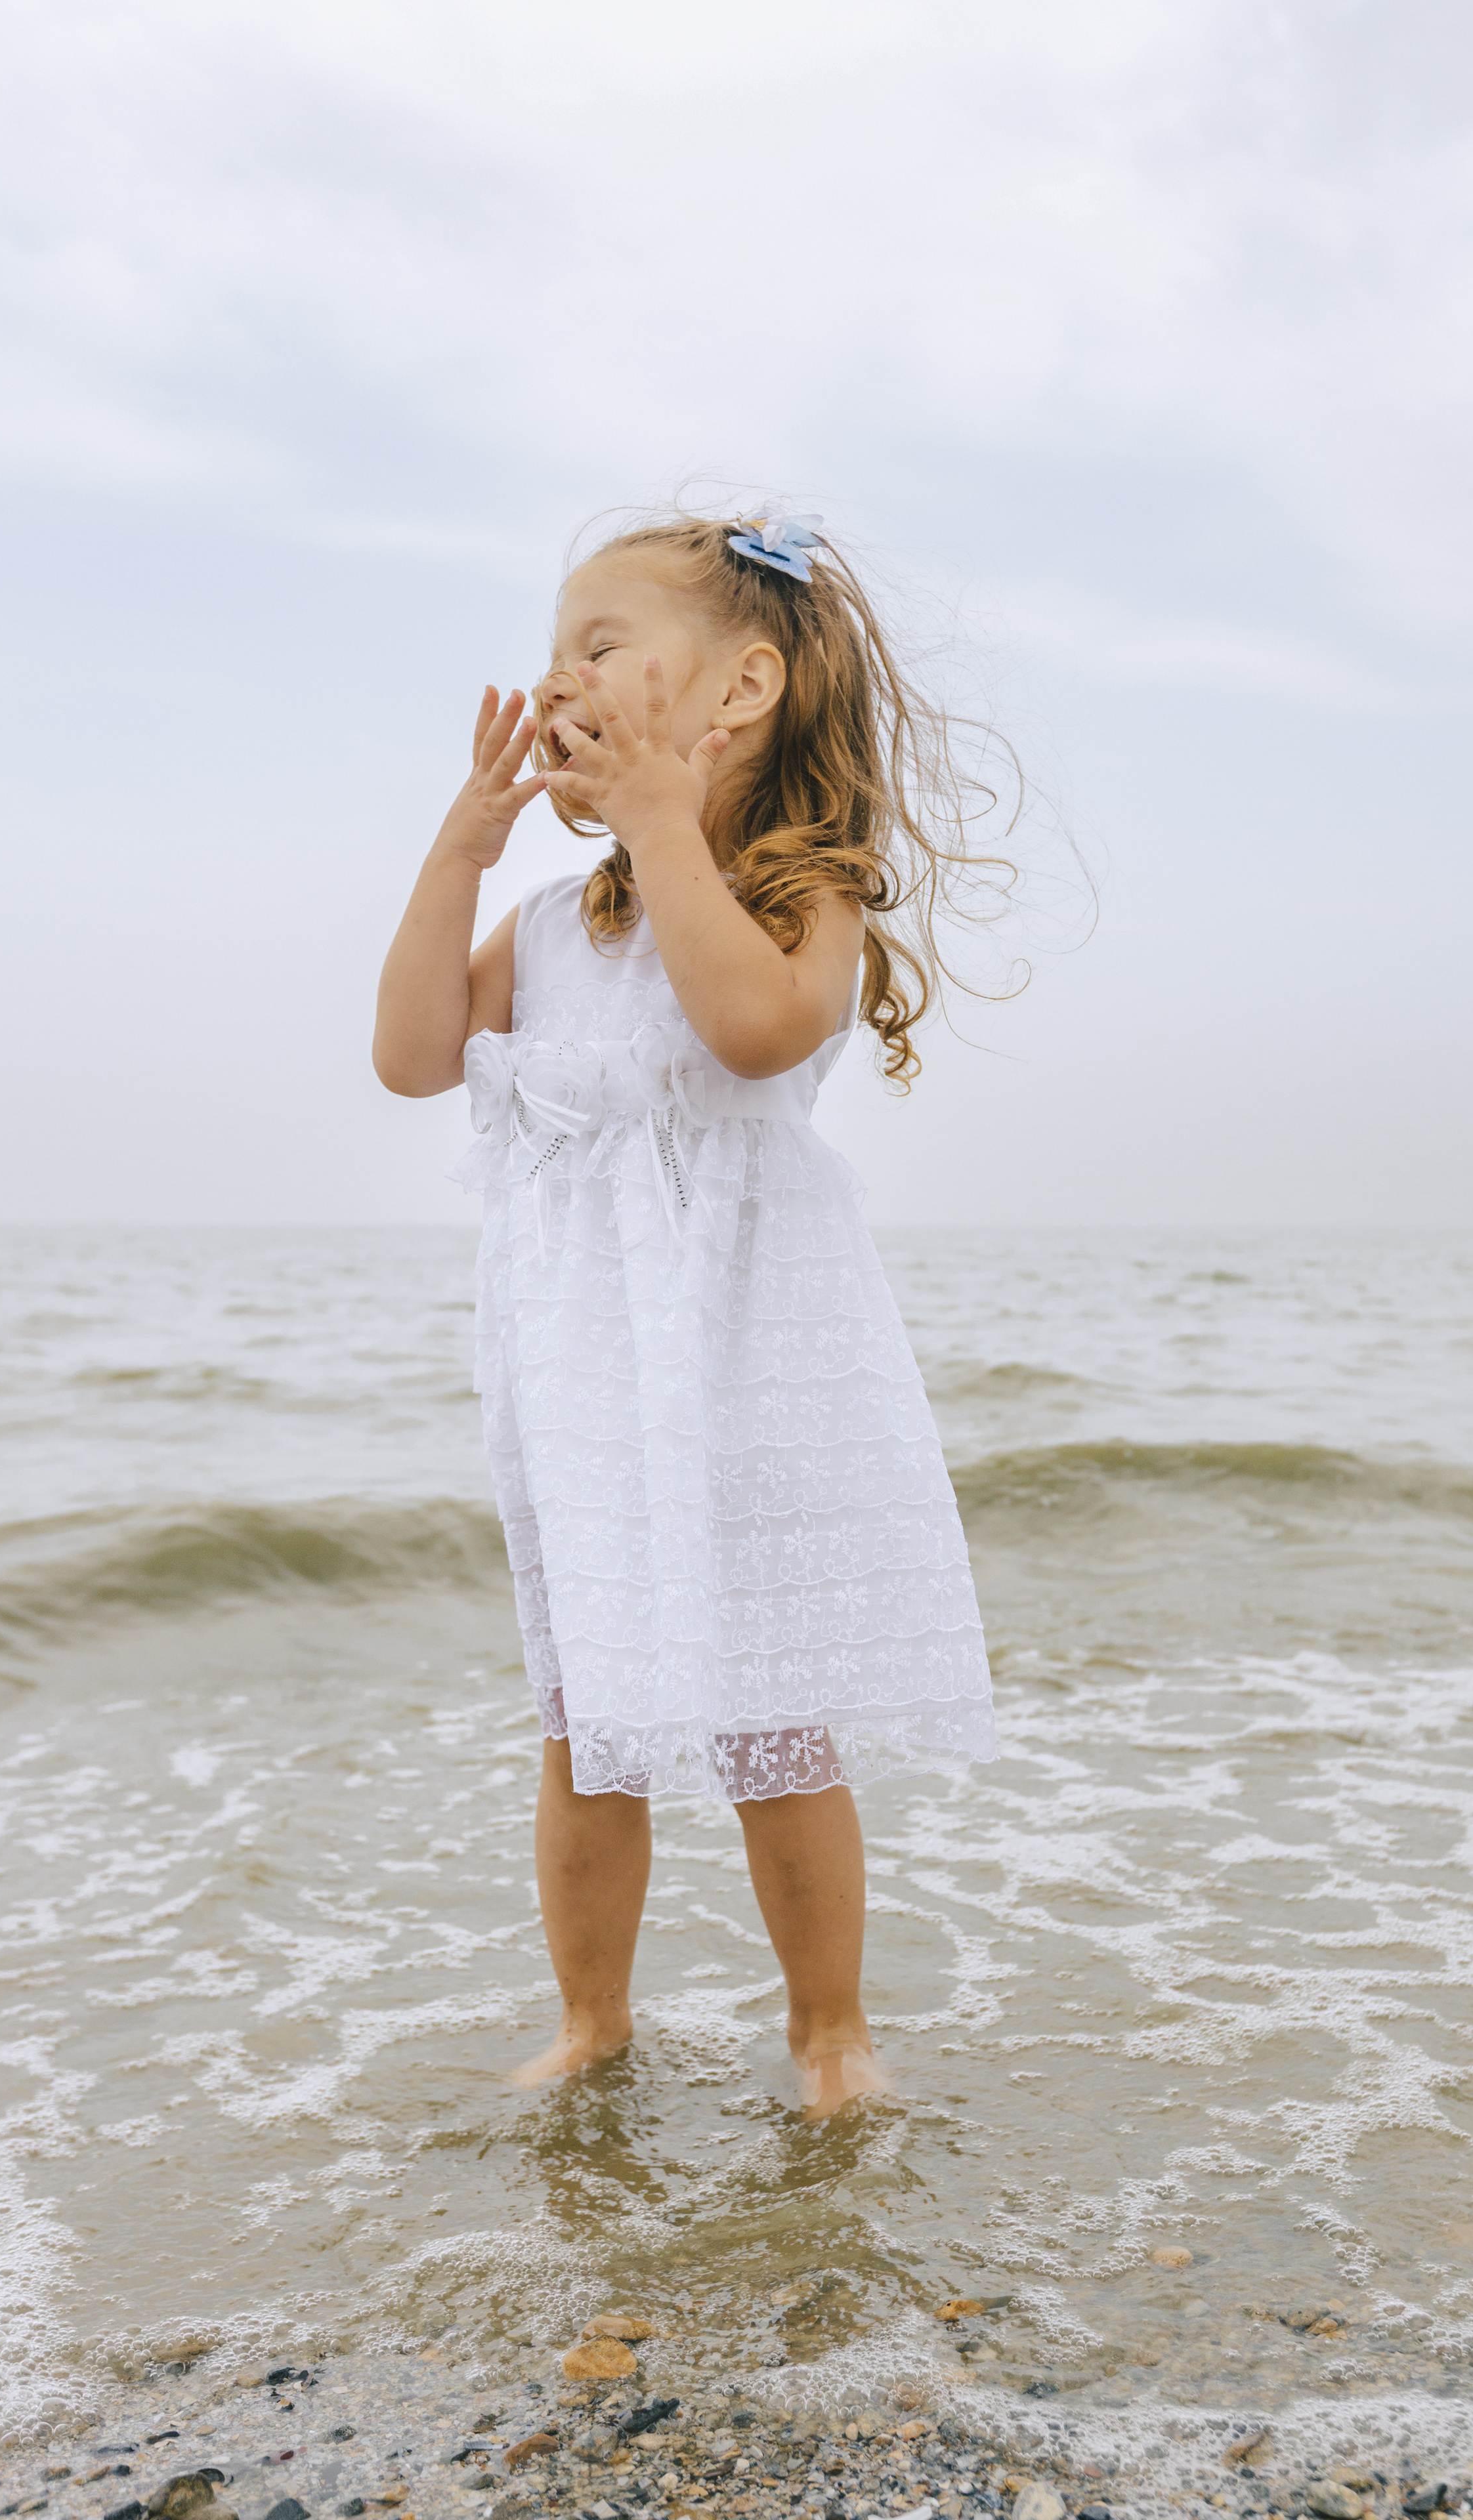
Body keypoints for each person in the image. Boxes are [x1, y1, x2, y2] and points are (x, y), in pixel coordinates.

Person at [374, 509, 1003, 2113]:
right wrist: (463, 844)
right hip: (583, 1379)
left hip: (747, 1374)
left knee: (777, 1724)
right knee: (586, 1722)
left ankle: (828, 2033)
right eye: (554, 646)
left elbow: (747, 1033)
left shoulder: (807, 894)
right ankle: (594, 2023)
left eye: (599, 644)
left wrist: (660, 824)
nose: (559, 674)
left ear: (740, 687)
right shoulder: (553, 928)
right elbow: (412, 1055)